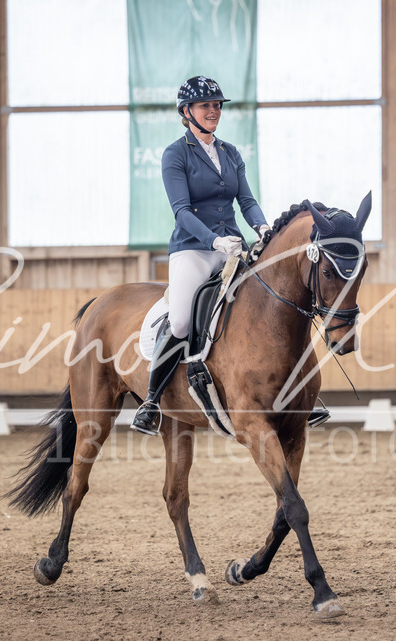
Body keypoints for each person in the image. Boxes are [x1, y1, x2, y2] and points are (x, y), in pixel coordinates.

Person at [130, 75, 271, 436]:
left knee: (266, 304)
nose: (213, 111)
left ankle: (289, 392)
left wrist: (262, 228)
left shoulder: (230, 153)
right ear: (187, 111)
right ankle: (150, 401)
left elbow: (247, 201)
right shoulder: (175, 154)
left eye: (217, 105)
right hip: (194, 249)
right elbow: (182, 211)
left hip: (234, 247)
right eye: (206, 105)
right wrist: (213, 241)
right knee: (179, 321)